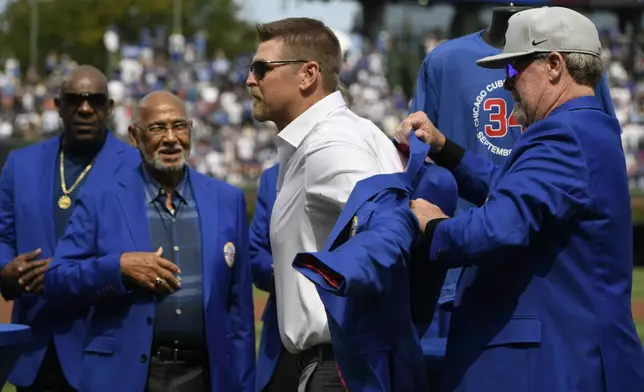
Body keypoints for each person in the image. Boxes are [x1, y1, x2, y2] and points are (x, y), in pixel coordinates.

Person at [397, 7, 644, 392]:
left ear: (554, 65)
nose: (507, 82)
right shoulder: (585, 127)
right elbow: (510, 188)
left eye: (513, 69)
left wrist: (432, 228)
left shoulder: (562, 136)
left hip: (546, 365)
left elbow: (494, 229)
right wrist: (446, 149)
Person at [43, 91, 255, 392]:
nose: (171, 138)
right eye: (157, 128)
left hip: (204, 376)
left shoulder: (226, 200)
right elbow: (57, 279)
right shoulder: (102, 198)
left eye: (179, 126)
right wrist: (118, 268)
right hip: (125, 377)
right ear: (134, 136)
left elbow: (241, 315)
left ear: (191, 130)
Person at [245, 17, 403, 390]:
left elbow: (389, 226)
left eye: (261, 68)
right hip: (344, 363)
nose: (250, 80)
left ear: (308, 74)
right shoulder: (347, 133)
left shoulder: (331, 144)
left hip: (339, 367)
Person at [0, 65, 140, 392]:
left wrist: (68, 273)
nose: (85, 108)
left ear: (110, 108)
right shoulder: (20, 164)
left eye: (95, 100)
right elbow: (3, 236)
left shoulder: (135, 167)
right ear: (58, 106)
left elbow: (138, 250)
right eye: (75, 99)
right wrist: (5, 269)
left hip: (102, 343)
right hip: (34, 346)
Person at [291, 133, 457, 391]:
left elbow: (385, 239)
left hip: (384, 350)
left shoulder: (418, 190)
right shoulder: (416, 179)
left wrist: (339, 267)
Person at [250, 163, 299, 392]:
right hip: (282, 336)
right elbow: (255, 252)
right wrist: (281, 271)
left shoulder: (354, 162)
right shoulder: (273, 177)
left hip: (340, 336)